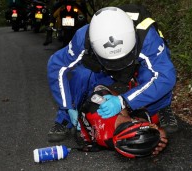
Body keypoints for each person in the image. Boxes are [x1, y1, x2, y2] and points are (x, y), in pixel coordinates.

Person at [47, 5, 178, 143]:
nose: (118, 64)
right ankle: (65, 118)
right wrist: (67, 106)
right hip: (104, 70)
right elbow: (57, 66)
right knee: (81, 74)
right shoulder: (84, 37)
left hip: (137, 65)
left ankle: (161, 107)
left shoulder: (146, 36)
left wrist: (124, 101)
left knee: (153, 75)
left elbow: (165, 76)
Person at [76, 85, 168, 157]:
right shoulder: (109, 141)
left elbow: (99, 86)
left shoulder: (100, 109)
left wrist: (121, 102)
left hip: (85, 98)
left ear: (134, 120)